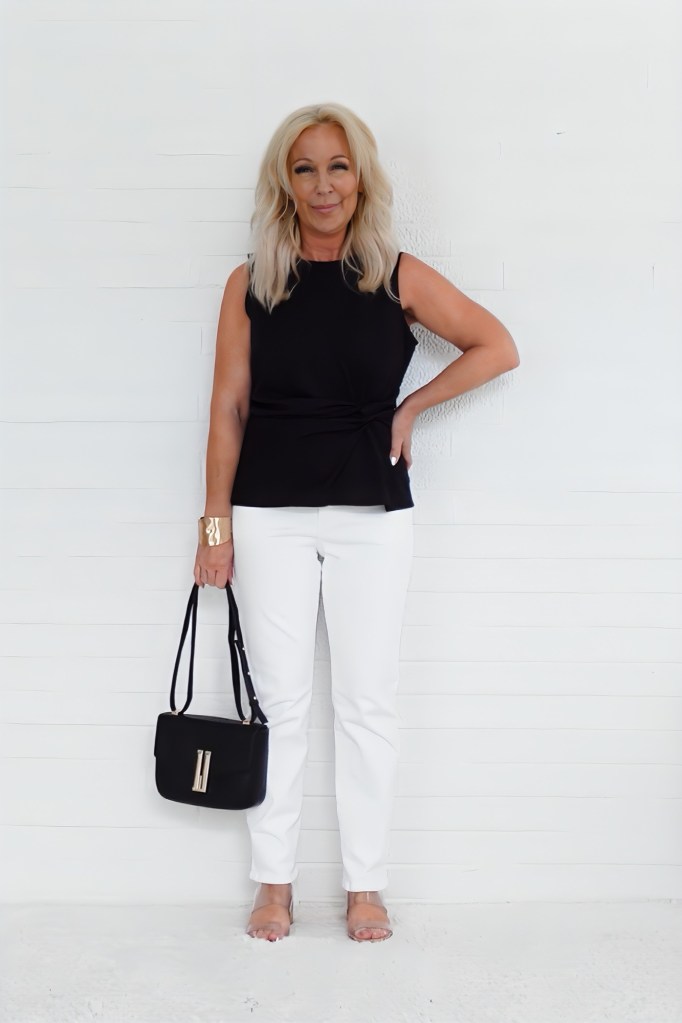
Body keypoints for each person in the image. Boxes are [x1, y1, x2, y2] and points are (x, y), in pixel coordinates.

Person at [194, 102, 520, 943]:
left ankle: (366, 884)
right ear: (285, 183)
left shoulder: (396, 275)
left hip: (373, 515)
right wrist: (215, 525)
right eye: (305, 168)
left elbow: (495, 345)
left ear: (361, 176)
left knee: (368, 703)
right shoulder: (252, 282)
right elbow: (228, 407)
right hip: (267, 515)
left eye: (337, 166)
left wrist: (412, 408)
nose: (323, 184)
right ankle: (275, 883)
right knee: (283, 702)